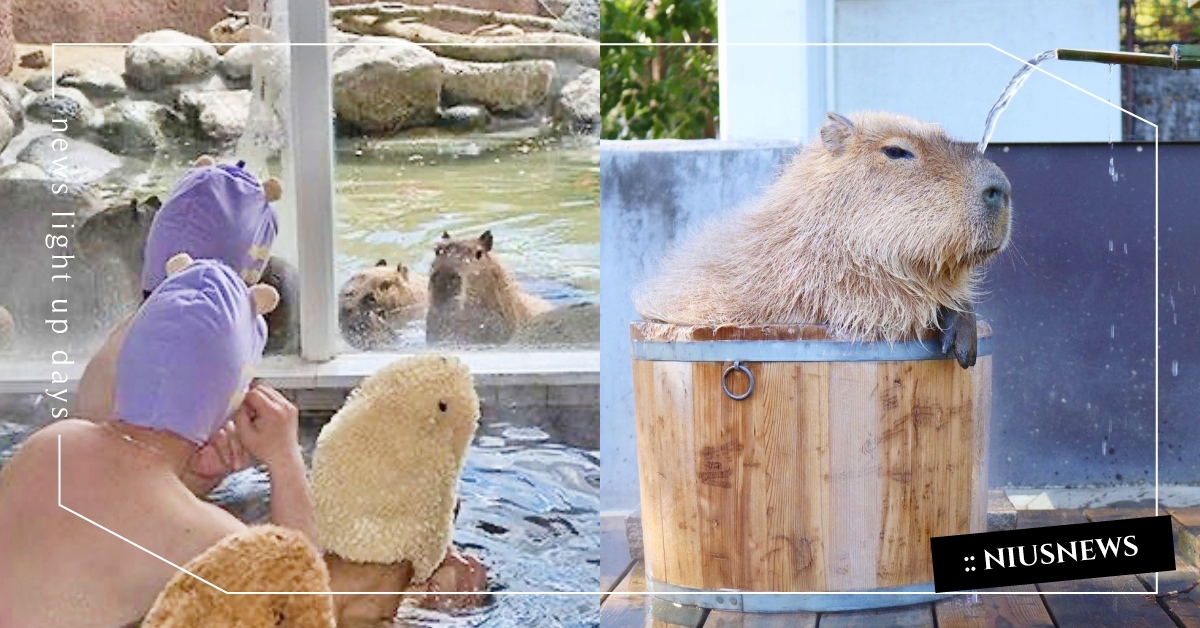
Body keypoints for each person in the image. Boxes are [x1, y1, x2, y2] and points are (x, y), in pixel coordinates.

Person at [0, 259, 311, 628]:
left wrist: (188, 481)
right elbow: (304, 605)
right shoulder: (212, 537)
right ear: (229, 400)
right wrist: (285, 459)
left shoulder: (51, 444)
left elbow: (114, 517)